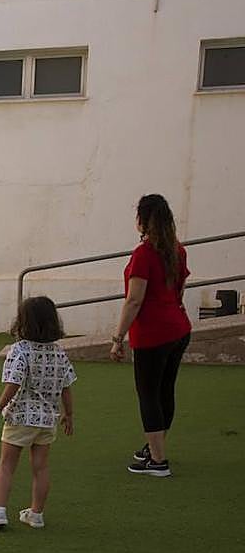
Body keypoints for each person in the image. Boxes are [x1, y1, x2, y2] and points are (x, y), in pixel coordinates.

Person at [110, 194, 192, 477]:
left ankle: (158, 460)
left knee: (148, 394)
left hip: (152, 334)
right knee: (164, 390)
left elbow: (134, 300)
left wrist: (117, 337)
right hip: (179, 329)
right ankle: (155, 446)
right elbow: (180, 289)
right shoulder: (177, 251)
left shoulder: (143, 255)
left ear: (142, 221)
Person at [0, 297, 76, 530]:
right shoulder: (59, 353)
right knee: (41, 467)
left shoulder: (20, 350)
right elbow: (67, 386)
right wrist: (69, 414)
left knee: (7, 464)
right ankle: (36, 514)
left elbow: (13, 382)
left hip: (20, 416)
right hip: (47, 419)